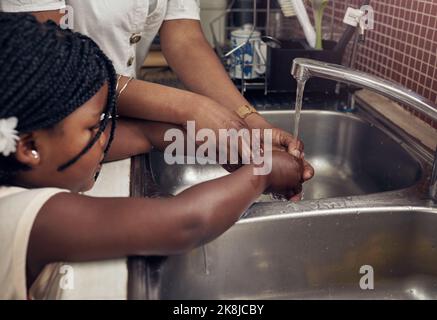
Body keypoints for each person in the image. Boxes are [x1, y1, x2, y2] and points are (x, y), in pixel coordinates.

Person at [0, 13, 308, 299]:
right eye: (94, 126)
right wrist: (263, 172)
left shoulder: (21, 171)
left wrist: (222, 142)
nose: (106, 135)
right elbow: (187, 223)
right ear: (29, 148)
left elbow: (145, 136)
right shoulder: (28, 215)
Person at [0, 0, 315, 163]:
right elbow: (48, 61)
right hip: (51, 138)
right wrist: (189, 107)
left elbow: (184, 37)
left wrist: (250, 121)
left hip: (113, 135)